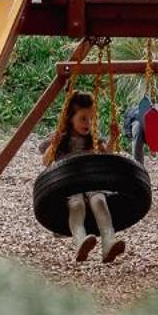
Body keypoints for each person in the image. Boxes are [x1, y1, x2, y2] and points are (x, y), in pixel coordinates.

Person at [41, 91, 125, 264]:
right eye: (83, 118)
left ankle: (109, 244)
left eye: (91, 119)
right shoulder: (62, 138)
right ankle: (80, 242)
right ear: (70, 118)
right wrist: (54, 144)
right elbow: (46, 162)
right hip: (69, 183)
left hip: (91, 182)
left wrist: (113, 138)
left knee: (99, 202)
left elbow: (108, 155)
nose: (88, 123)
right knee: (76, 205)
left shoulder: (94, 138)